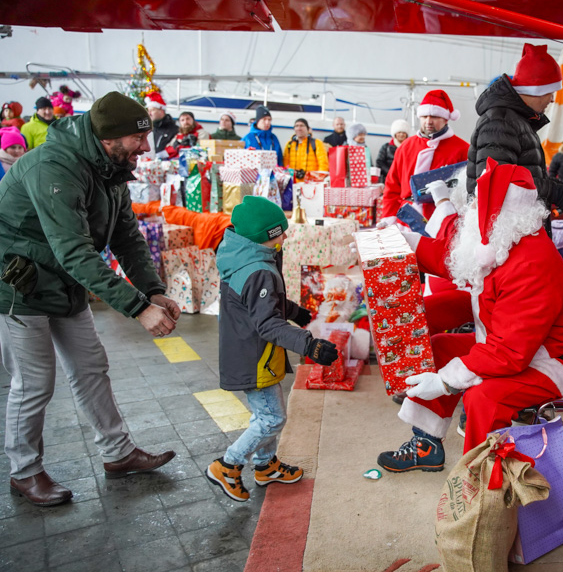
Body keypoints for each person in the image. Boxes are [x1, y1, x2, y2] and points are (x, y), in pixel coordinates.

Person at [0, 91, 180, 507]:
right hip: (17, 287)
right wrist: (138, 309)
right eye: (139, 139)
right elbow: (75, 251)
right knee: (34, 383)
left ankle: (118, 453)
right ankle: (24, 471)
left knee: (91, 367)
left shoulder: (110, 168)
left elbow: (126, 237)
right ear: (110, 137)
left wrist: (153, 290)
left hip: (62, 281)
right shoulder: (54, 167)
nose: (146, 148)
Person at [377, 159, 563, 472]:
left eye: (478, 202)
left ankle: (478, 479)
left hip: (554, 360)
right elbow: (449, 255)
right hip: (512, 345)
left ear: (497, 210)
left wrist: (443, 382)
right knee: (439, 348)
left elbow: (509, 353)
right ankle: (426, 445)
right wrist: (401, 241)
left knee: (484, 397)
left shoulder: (532, 263)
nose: (471, 209)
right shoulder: (500, 240)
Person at [206, 196, 338, 501]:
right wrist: (309, 345)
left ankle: (265, 466)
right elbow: (266, 324)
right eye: (280, 231)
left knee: (265, 414)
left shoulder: (242, 256)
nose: (285, 236)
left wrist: (292, 311)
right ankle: (228, 464)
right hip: (254, 358)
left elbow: (258, 305)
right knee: (271, 419)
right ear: (264, 237)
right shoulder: (258, 270)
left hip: (249, 352)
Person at [466, 44, 563, 236]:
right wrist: (556, 193)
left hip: (514, 232)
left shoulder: (516, 121)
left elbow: (525, 173)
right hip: (503, 238)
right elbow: (498, 183)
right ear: (536, 90)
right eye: (550, 92)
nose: (552, 100)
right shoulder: (501, 122)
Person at [379, 90, 469, 224]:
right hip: (405, 220)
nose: (428, 121)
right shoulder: (406, 146)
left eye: (434, 116)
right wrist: (388, 216)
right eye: (424, 116)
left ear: (445, 119)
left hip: (443, 223)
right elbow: (392, 186)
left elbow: (466, 192)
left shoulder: (463, 149)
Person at [376, 118, 410, 185]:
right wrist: (390, 172)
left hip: (405, 180)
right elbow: (379, 162)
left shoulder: (410, 147)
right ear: (395, 134)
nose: (401, 135)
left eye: (404, 132)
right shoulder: (386, 147)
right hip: (388, 180)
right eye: (399, 132)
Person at [146, 91, 179, 157]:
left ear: (161, 111)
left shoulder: (175, 130)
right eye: (148, 110)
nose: (149, 113)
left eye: (152, 110)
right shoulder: (149, 130)